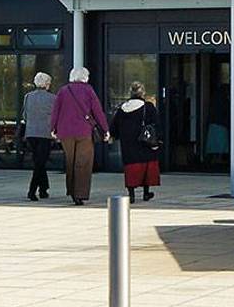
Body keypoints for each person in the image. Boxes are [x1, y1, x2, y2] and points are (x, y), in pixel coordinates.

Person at [49, 64, 108, 205]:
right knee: (83, 163)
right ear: (85, 77)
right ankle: (80, 193)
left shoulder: (63, 91)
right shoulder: (88, 90)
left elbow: (55, 111)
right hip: (84, 131)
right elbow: (97, 111)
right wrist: (105, 129)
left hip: (65, 132)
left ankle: (71, 191)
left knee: (70, 162)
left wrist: (53, 128)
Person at [108, 80, 160, 203]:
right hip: (144, 142)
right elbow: (156, 124)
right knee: (146, 167)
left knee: (130, 169)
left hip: (128, 144)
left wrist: (113, 136)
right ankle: (146, 193)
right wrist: (158, 140)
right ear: (143, 93)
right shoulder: (148, 107)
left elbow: (114, 127)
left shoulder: (122, 108)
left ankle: (131, 194)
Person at [20, 70, 55, 201]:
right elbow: (55, 116)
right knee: (40, 163)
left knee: (38, 161)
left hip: (31, 133)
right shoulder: (53, 98)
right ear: (46, 84)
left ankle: (44, 189)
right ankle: (32, 190)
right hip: (45, 133)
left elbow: (25, 115)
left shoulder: (28, 97)